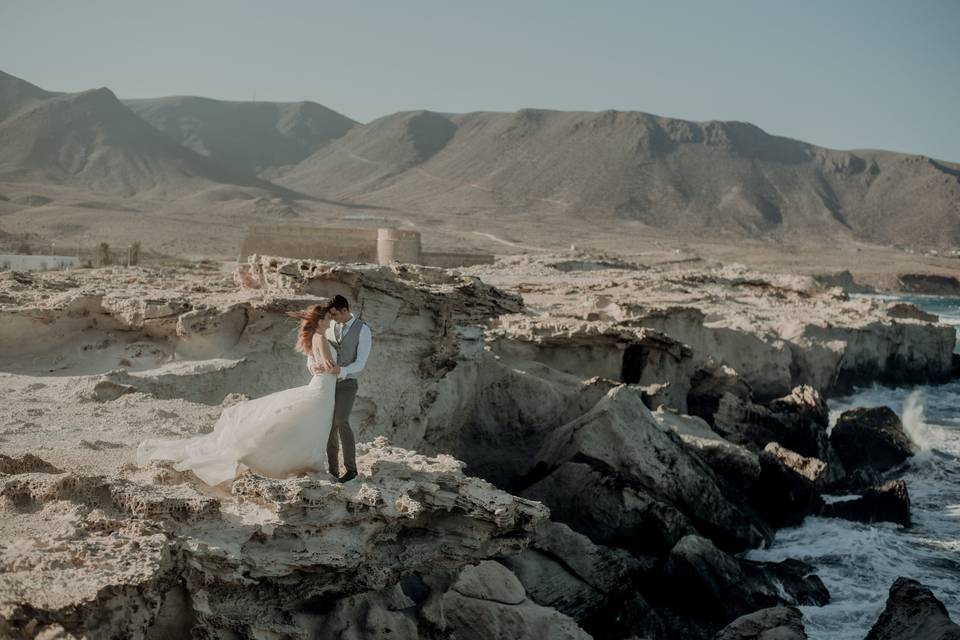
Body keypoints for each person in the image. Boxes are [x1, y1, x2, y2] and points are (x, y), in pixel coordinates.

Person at [137, 302, 340, 486]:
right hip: (322, 389)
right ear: (321, 320)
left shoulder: (314, 337)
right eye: (329, 318)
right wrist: (344, 369)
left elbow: (314, 364)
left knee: (304, 424)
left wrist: (319, 368)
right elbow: (330, 367)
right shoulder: (321, 338)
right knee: (310, 424)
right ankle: (287, 462)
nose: (332, 320)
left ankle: (300, 462)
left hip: (322, 386)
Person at [308, 295, 372, 483]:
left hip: (347, 383)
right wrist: (313, 366)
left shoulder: (363, 330)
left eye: (335, 314)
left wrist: (341, 370)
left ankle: (351, 469)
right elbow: (312, 354)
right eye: (330, 314)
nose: (333, 318)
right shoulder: (328, 328)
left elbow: (360, 363)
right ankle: (334, 471)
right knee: (329, 424)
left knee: (341, 420)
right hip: (326, 384)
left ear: (345, 310)